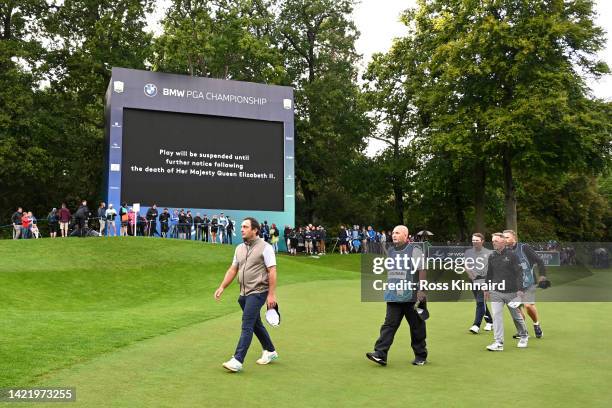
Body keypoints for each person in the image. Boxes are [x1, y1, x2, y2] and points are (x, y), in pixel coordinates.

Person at [214, 217, 278, 372]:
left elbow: (272, 271)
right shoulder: (239, 248)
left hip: (258, 292)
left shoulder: (266, 247)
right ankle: (270, 350)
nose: (242, 229)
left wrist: (271, 295)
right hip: (243, 293)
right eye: (241, 226)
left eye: (245, 227)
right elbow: (233, 269)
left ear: (254, 230)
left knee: (247, 324)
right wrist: (222, 286)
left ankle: (237, 360)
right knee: (255, 323)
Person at [366, 225, 428, 366]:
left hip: (411, 295)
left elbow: (422, 269)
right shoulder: (392, 250)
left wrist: (421, 290)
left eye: (397, 233)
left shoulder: (415, 249)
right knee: (389, 325)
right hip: (394, 295)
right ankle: (380, 354)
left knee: (416, 326)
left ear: (406, 236)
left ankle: (421, 355)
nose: (394, 235)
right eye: (393, 233)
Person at [483, 233, 528, 351]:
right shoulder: (492, 256)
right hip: (496, 291)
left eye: (496, 241)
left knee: (516, 317)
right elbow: (489, 273)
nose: (494, 243)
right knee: (497, 316)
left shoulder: (512, 256)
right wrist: (487, 288)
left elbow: (519, 273)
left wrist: (520, 290)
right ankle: (498, 343)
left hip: (512, 292)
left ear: (503, 242)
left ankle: (523, 336)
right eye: (493, 241)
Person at [503, 230, 548, 339]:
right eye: (503, 238)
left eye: (507, 237)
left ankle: (536, 324)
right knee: (517, 309)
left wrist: (542, 275)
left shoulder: (524, 248)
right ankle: (523, 331)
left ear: (514, 238)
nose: (505, 240)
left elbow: (539, 261)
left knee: (528, 305)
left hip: (529, 282)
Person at [464, 233, 493, 334]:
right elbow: (466, 265)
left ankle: (476, 325)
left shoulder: (489, 253)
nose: (474, 242)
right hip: (472, 280)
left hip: (484, 280)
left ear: (482, 241)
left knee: (480, 302)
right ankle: (489, 321)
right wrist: (470, 274)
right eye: (473, 240)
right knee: (481, 302)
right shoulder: (468, 252)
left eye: (477, 240)